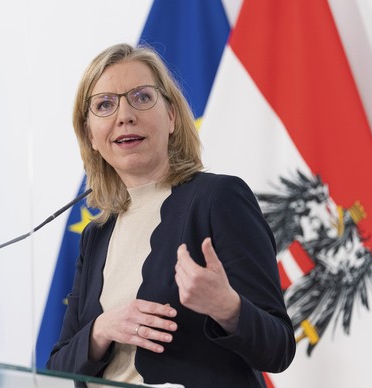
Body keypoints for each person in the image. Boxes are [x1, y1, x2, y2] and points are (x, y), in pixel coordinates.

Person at [46, 43, 296, 388]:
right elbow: (57, 366)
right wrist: (102, 329)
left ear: (172, 117)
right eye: (105, 105)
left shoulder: (218, 199)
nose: (124, 116)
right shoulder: (97, 234)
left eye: (141, 97)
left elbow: (279, 348)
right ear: (91, 136)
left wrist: (228, 307)